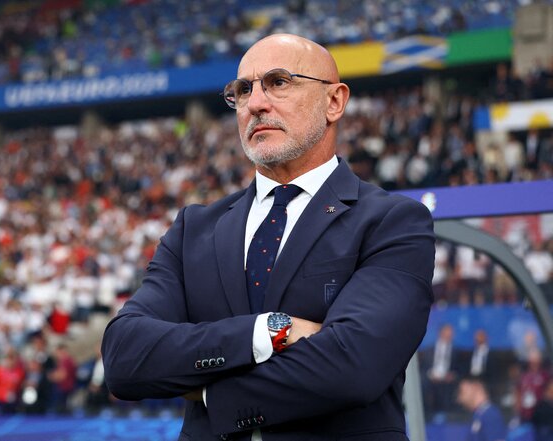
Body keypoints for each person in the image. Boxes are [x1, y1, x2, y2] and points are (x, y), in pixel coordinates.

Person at [102, 33, 435, 440]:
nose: (256, 104)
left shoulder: (393, 221)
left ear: (334, 101)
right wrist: (270, 331)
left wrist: (209, 394)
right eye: (243, 90)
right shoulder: (194, 229)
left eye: (278, 82)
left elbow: (354, 366)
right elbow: (124, 356)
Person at [457, 376, 506, 441]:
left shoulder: (490, 415)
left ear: (475, 386)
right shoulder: (478, 415)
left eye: (462, 392)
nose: (460, 399)